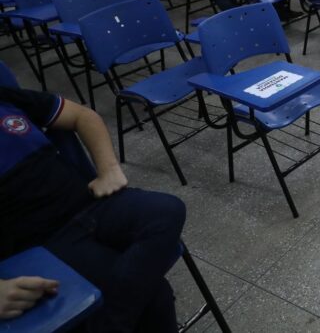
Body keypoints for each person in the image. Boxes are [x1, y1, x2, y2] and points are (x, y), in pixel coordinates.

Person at [0, 84, 185, 331]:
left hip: (90, 205)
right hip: (45, 240)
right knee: (155, 296)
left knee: (168, 210)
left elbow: (82, 116)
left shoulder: (5, 95)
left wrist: (108, 169)